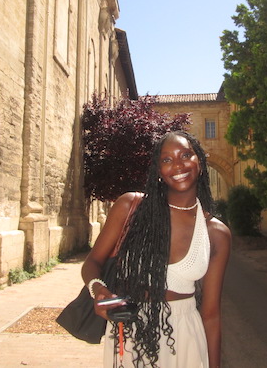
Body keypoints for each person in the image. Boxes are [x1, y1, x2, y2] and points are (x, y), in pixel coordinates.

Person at [81, 130, 231, 367]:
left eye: (185, 155)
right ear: (158, 171)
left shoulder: (216, 233)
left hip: (185, 335)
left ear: (200, 163)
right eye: (167, 160)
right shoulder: (130, 207)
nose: (178, 165)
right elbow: (92, 263)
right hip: (130, 329)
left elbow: (211, 315)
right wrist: (98, 290)